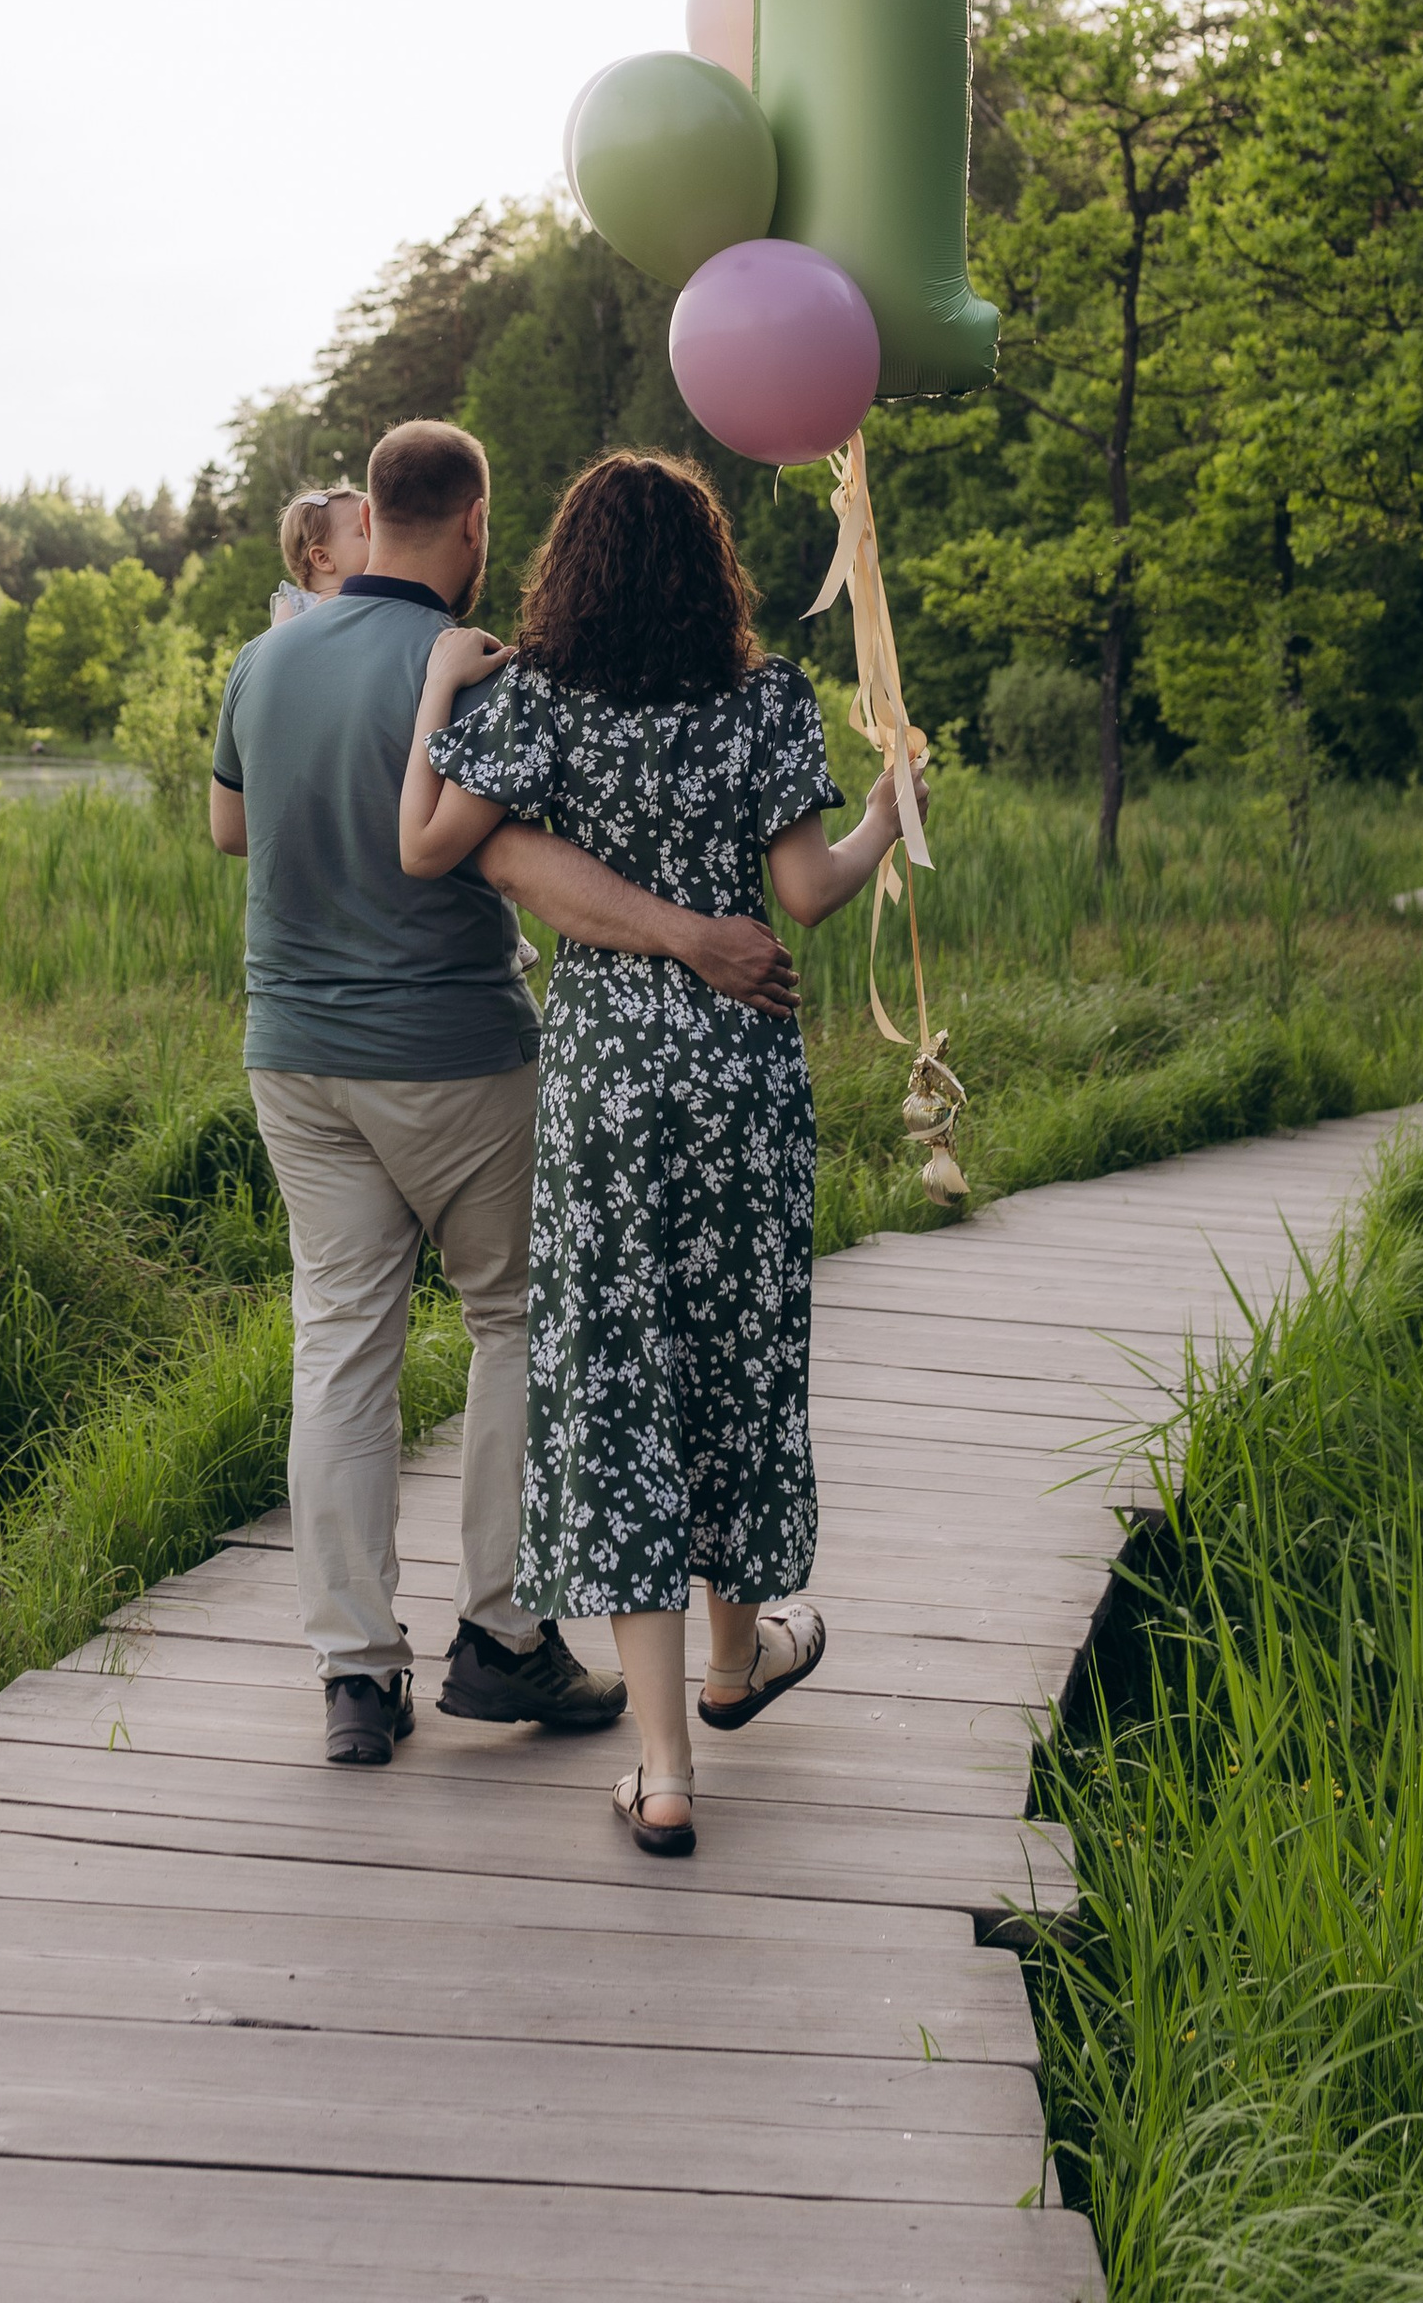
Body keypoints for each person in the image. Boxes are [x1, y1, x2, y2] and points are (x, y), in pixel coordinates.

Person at [210, 418, 805, 1768]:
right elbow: (512, 858)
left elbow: (229, 827)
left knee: (342, 1344)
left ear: (364, 515)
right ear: (474, 523)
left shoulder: (265, 657)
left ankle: (356, 1677)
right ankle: (503, 1636)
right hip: (453, 1050)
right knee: (517, 1323)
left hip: (292, 1053)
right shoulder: (477, 673)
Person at [399, 448, 920, 1858]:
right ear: (714, 572)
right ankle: (740, 1658)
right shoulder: (765, 702)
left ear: (568, 568)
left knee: (619, 1377)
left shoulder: (538, 703)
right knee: (734, 1358)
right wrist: (889, 809)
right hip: (740, 1074)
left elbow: (447, 849)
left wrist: (448, 689)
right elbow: (805, 895)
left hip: (609, 1080)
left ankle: (665, 1767)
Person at [268, 483, 372, 625]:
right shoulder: (296, 607)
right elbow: (278, 646)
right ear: (324, 558)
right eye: (365, 531)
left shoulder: (374, 597)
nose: (380, 538)